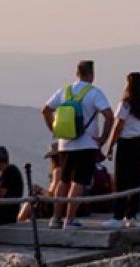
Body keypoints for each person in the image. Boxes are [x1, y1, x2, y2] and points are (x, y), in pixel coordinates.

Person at [41, 60, 114, 229]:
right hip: (87, 143)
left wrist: (53, 128)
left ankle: (56, 218)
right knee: (79, 182)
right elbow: (109, 116)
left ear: (77, 73)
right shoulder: (94, 93)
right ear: (92, 75)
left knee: (63, 181)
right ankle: (70, 219)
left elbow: (45, 110)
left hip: (64, 144)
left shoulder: (64, 91)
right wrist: (103, 138)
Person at [103, 72, 140, 229]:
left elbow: (118, 125)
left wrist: (110, 145)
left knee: (122, 180)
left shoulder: (126, 104)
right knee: (136, 179)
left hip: (126, 143)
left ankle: (118, 216)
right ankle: (131, 215)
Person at [0, 146, 22, 226]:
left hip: (5, 215)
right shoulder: (10, 170)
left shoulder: (9, 172)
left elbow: (1, 196)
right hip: (10, 212)